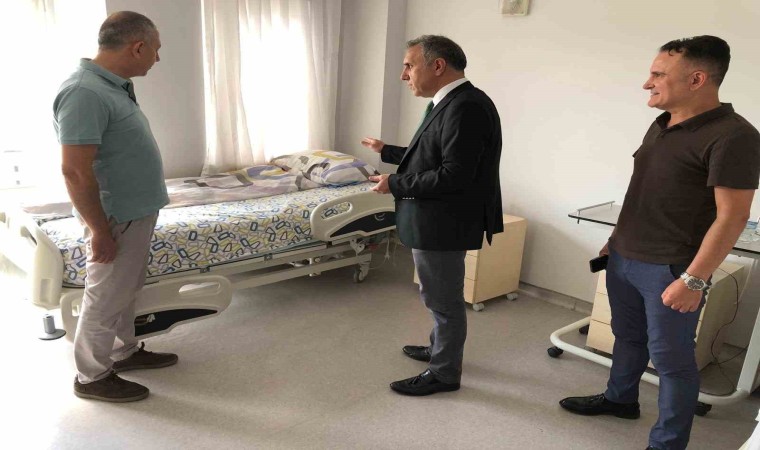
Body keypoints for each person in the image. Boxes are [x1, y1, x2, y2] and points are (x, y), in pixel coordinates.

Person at [559, 36, 760, 450]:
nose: (646, 83)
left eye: (658, 74)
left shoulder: (734, 136)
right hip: (625, 256)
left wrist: (694, 279)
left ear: (697, 79)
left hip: (671, 268)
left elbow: (733, 216)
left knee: (671, 359)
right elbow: (645, 189)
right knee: (627, 336)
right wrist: (615, 240)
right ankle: (620, 400)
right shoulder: (663, 123)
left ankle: (667, 444)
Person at [361, 35, 503, 396]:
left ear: (437, 66)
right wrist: (386, 151)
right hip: (438, 219)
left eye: (409, 66)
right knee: (437, 295)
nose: (403, 75)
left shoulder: (465, 107)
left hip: (444, 223)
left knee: (443, 302)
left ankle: (444, 373)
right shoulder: (451, 102)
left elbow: (455, 175)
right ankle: (440, 348)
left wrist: (394, 183)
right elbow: (428, 154)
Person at [54, 11, 177, 402]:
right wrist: (98, 231)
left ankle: (123, 352)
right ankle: (91, 376)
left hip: (134, 211)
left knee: (124, 289)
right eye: (155, 49)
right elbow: (75, 171)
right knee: (105, 297)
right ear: (138, 47)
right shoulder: (84, 92)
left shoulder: (111, 87)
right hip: (114, 217)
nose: (157, 58)